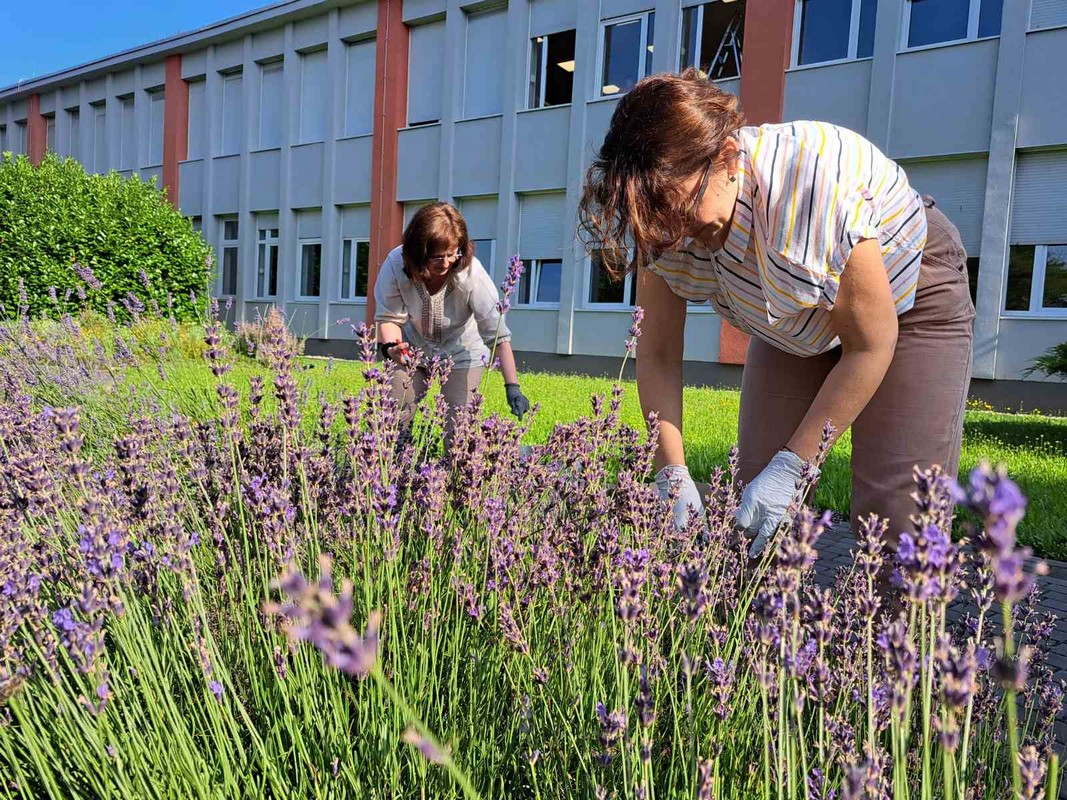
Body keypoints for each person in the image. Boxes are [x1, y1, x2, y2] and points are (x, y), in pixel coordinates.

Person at [578, 70, 974, 559]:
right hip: (792, 313)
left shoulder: (809, 188)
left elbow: (870, 344)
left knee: (897, 521)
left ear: (727, 159)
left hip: (907, 296)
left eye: (680, 214)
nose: (670, 236)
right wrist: (670, 472)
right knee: (753, 512)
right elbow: (657, 353)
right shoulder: (659, 211)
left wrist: (794, 468)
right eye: (654, 217)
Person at [374, 202, 530, 440]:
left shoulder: (472, 274)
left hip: (462, 352)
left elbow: (496, 333)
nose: (446, 262)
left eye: (452, 254)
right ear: (418, 252)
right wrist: (392, 348)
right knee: (394, 418)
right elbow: (389, 317)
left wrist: (513, 387)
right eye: (437, 256)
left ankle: (451, 464)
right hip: (412, 349)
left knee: (458, 430)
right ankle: (397, 461)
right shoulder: (396, 264)